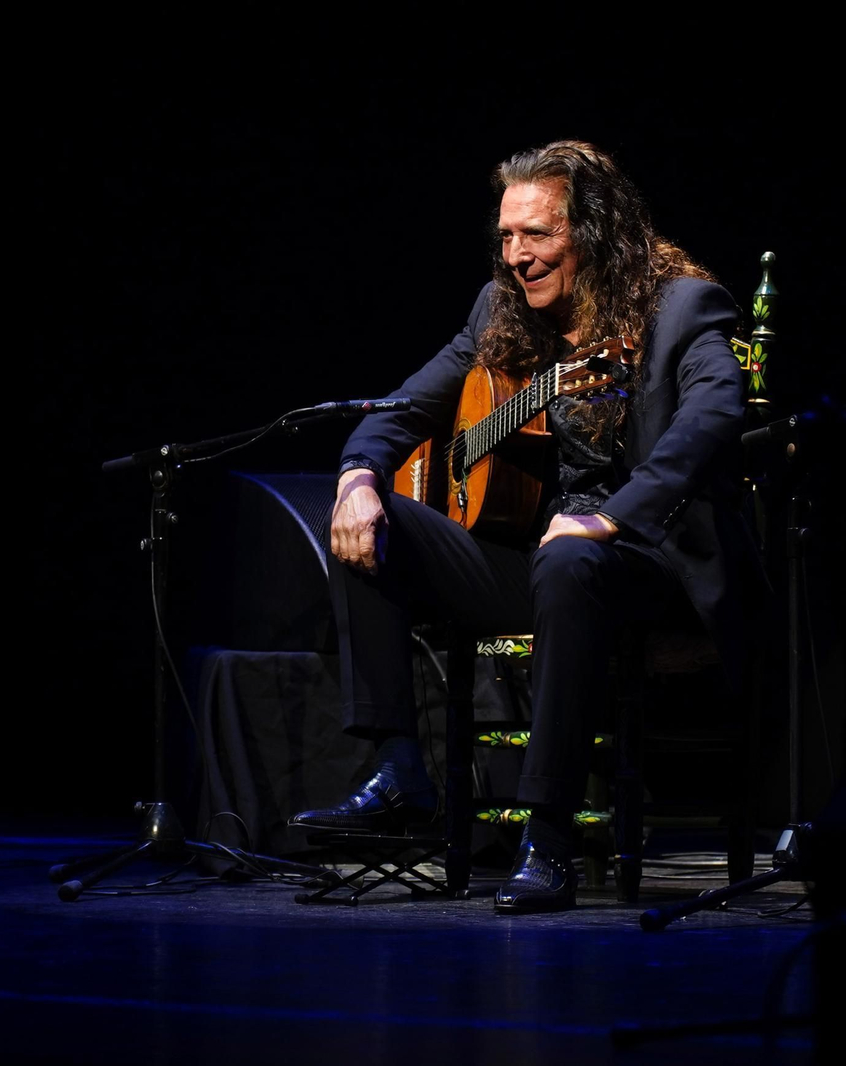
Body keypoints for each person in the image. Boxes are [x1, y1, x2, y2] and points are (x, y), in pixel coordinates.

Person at [289, 140, 762, 914]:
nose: (517, 255)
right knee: (368, 523)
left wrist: (609, 518)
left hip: (651, 561)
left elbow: (713, 416)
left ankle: (548, 840)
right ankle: (401, 769)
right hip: (540, 563)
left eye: (537, 234)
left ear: (597, 232)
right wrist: (357, 480)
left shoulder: (682, 305)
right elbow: (402, 410)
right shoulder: (499, 310)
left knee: (570, 562)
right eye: (507, 236)